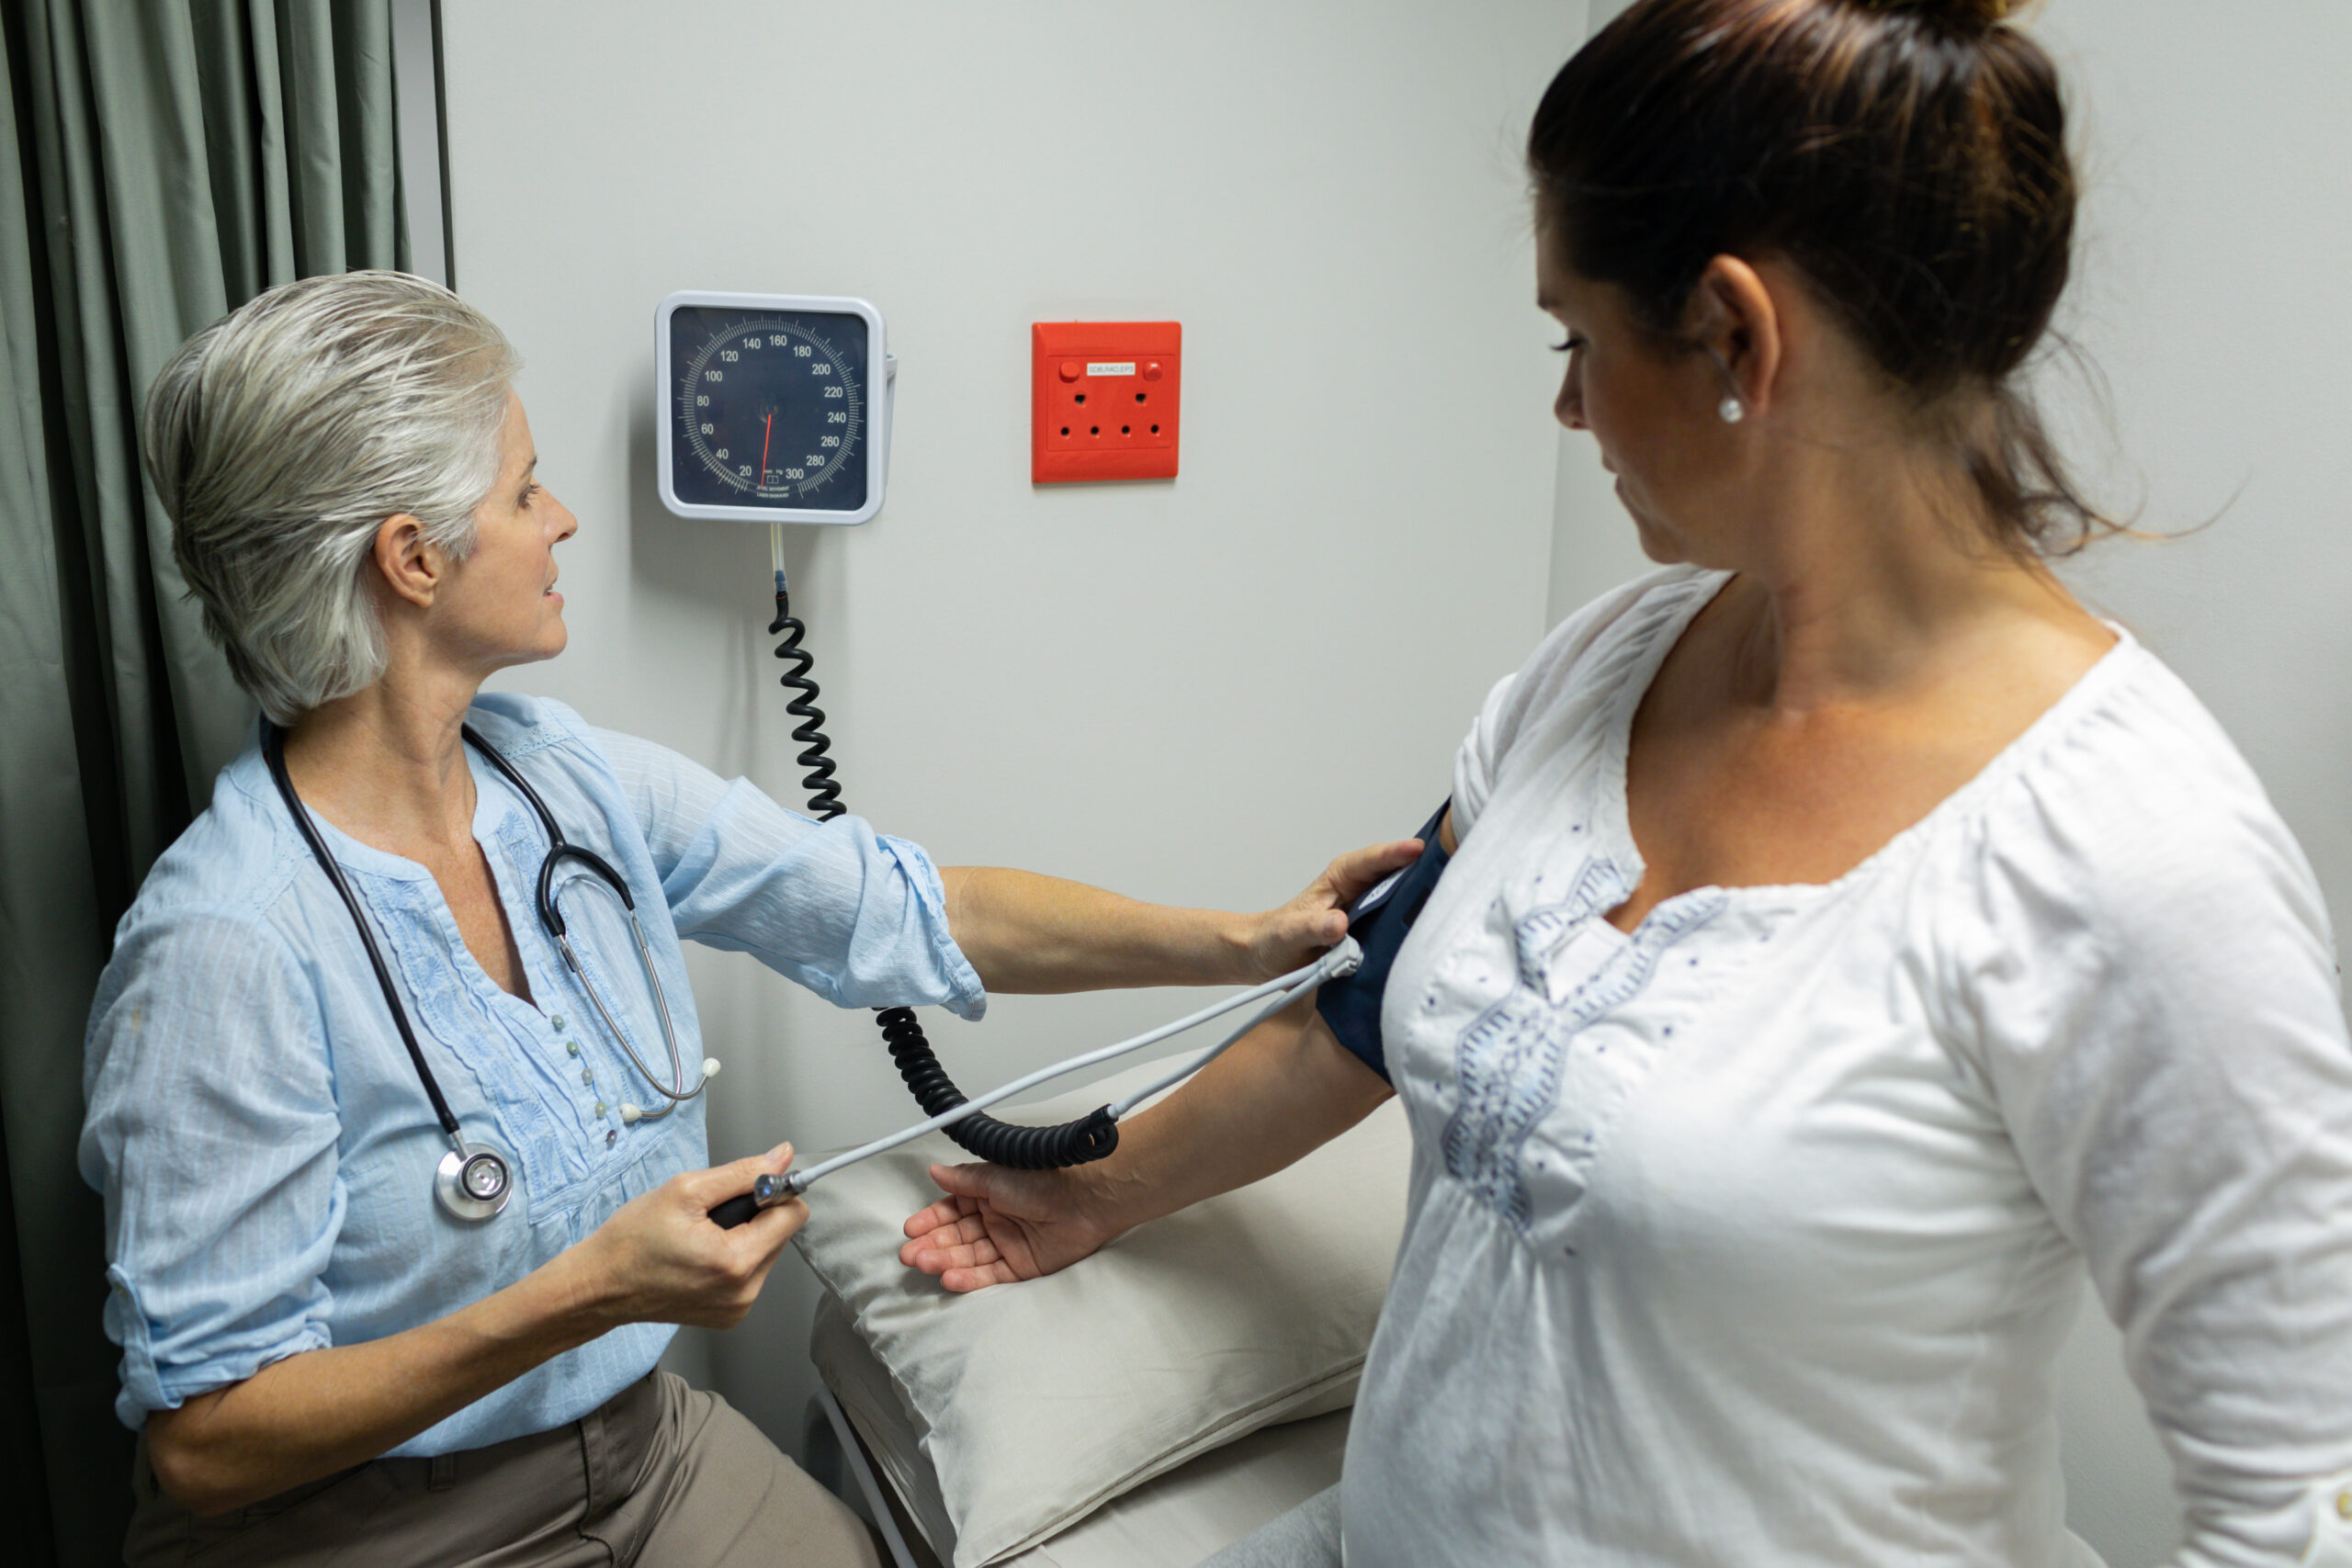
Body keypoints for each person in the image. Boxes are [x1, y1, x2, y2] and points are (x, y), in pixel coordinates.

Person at [899, 1, 2352, 1563]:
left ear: (1737, 337)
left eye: (1577, 337)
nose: (1569, 405)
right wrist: (1098, 1191)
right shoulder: (1600, 669)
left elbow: (2293, 1503)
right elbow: (1375, 1005)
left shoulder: (2136, 862)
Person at [80, 269, 1414, 1567]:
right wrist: (588, 1292)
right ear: (413, 559)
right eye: (527, 489)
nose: (564, 524)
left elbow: (913, 909)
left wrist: (1242, 939)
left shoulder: (564, 781)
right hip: (370, 1524)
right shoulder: (225, 945)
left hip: (643, 1453)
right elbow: (208, 1442)